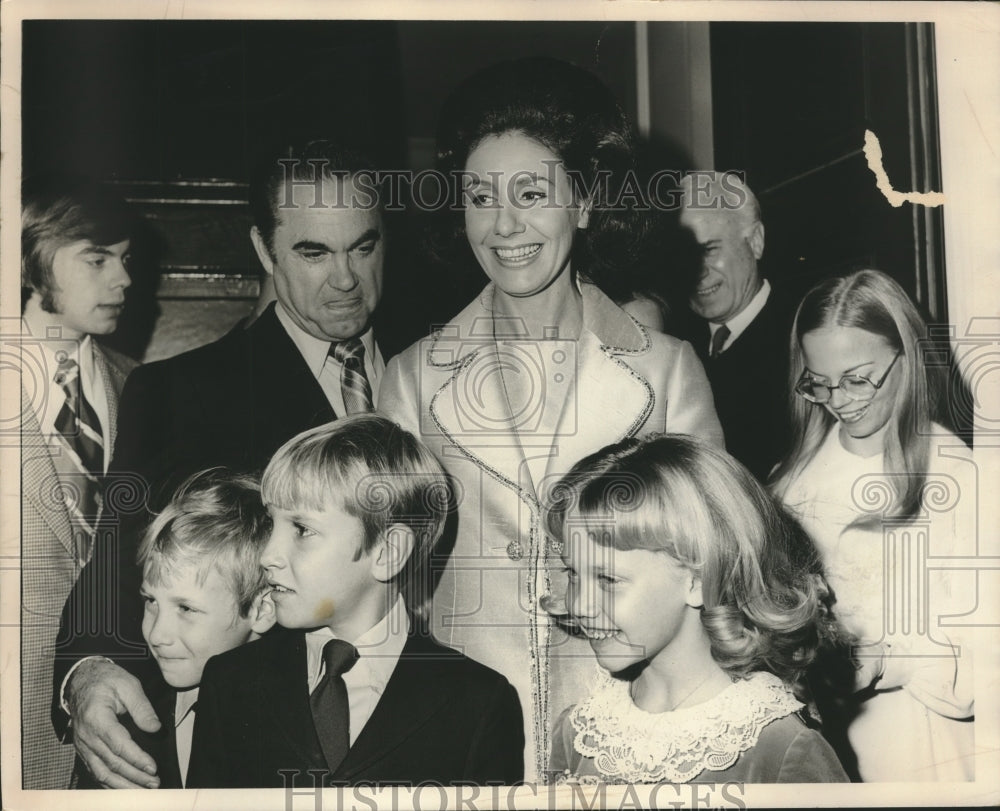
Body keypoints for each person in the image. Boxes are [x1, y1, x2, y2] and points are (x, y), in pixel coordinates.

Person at [378, 57, 723, 780]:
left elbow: (714, 570)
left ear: (586, 202)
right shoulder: (410, 375)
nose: (504, 225)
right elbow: (386, 592)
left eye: (532, 193)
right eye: (479, 196)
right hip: (460, 737)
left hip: (633, 735)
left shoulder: (665, 369)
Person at [55, 138, 388, 789]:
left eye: (364, 245)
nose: (345, 277)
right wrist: (88, 669)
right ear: (265, 250)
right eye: (313, 251)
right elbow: (115, 567)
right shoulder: (183, 392)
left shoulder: (444, 367)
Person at [186, 415, 525, 787]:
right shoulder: (230, 682)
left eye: (302, 530)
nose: (268, 554)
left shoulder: (478, 703)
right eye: (273, 524)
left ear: (388, 552)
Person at [544, 433, 849, 784]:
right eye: (572, 572)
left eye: (609, 580)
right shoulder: (580, 732)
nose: (579, 604)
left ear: (697, 581)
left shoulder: (779, 746)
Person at [771, 269, 976, 781]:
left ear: (905, 358)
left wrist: (881, 657)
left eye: (858, 379)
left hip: (914, 735)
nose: (839, 400)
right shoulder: (793, 477)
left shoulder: (952, 471)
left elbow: (979, 644)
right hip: (819, 732)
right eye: (819, 383)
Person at [19, 174, 136, 789]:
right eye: (97, 259)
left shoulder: (142, 387)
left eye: (124, 259)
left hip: (121, 733)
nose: (123, 279)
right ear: (27, 261)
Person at [75, 470, 276, 789]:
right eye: (151, 601)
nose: (157, 635)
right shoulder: (120, 732)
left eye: (186, 608)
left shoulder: (290, 727)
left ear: (261, 610)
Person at [675, 171, 796, 481]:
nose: (696, 272)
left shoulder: (804, 338)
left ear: (755, 242)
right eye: (682, 256)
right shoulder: (671, 347)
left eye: (709, 250)